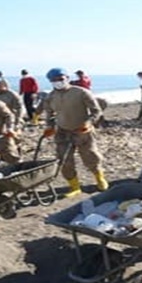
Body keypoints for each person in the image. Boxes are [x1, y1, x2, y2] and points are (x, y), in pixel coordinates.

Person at [42, 67, 107, 196]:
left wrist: (88, 123)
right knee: (64, 160)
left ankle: (100, 179)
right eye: (54, 80)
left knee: (91, 156)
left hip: (82, 130)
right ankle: (74, 186)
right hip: (62, 132)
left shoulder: (81, 92)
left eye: (60, 79)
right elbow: (49, 114)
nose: (58, 82)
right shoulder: (51, 97)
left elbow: (96, 111)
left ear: (67, 78)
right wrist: (49, 127)